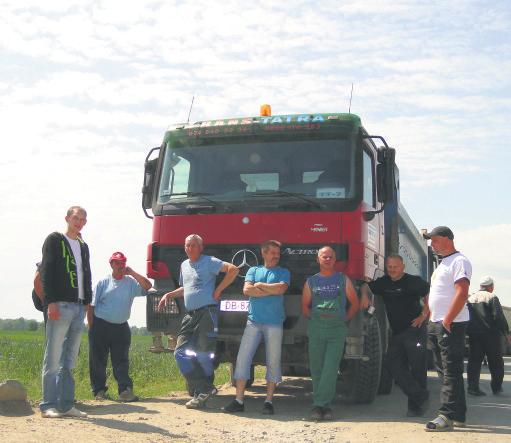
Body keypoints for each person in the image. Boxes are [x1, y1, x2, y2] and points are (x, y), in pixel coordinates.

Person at [158, 234, 239, 409]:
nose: (190, 248)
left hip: (207, 313)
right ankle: (205, 388)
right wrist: (169, 294)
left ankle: (202, 392)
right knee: (180, 353)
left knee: (203, 354)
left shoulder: (209, 261)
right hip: (190, 315)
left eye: (194, 245)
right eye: (187, 245)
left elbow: (233, 270)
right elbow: (187, 287)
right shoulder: (184, 265)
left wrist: (218, 290)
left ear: (201, 247)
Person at [222, 240, 290, 415]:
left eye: (278, 253)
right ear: (264, 253)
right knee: (243, 358)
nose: (277, 256)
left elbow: (281, 289)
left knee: (273, 361)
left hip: (274, 322)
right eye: (273, 252)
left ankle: (268, 401)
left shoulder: (284, 272)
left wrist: (259, 286)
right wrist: (269, 290)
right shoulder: (253, 270)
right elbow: (247, 290)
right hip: (253, 322)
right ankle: (238, 400)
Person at [39, 206, 92, 418]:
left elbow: (86, 274)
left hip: (79, 306)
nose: (79, 222)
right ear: (67, 219)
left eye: (82, 219)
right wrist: (50, 302)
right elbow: (46, 270)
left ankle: (66, 404)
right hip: (60, 305)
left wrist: (87, 302)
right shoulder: (54, 239)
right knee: (53, 358)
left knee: (70, 359)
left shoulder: (83, 245)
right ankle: (48, 405)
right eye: (75, 218)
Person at [361, 255, 430, 416]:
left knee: (418, 368)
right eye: (389, 267)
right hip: (398, 332)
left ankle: (415, 408)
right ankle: (419, 395)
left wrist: (424, 314)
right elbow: (366, 286)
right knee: (392, 364)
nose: (392, 270)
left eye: (395, 267)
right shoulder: (384, 283)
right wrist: (365, 296)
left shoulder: (414, 281)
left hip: (415, 330)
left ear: (403, 266)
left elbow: (431, 293)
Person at [301, 246, 359, 421]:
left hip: (336, 330)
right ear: (318, 259)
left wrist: (342, 321)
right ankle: (324, 407)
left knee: (331, 367)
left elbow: (354, 304)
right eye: (324, 257)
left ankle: (318, 404)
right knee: (317, 367)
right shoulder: (311, 281)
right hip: (317, 328)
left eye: (330, 257)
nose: (327, 259)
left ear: (335, 260)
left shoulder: (343, 279)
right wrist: (318, 319)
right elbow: (305, 307)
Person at [423, 226, 472, 432]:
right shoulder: (443, 263)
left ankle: (445, 415)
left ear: (447, 239)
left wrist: (447, 320)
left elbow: (462, 292)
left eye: (434, 240)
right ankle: (458, 415)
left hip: (450, 324)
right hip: (438, 323)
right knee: (445, 371)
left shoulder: (460, 261)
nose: (432, 244)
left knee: (450, 371)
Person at [88, 252, 152, 401]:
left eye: (122, 262)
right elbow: (91, 306)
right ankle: (99, 391)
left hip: (121, 327)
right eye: (117, 263)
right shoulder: (103, 282)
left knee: (121, 361)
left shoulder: (130, 282)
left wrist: (133, 273)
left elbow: (148, 287)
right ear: (111, 264)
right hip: (101, 325)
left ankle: (125, 391)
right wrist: (92, 327)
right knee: (98, 360)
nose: (120, 265)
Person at [466, 276, 510, 396]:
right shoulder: (491, 297)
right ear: (490, 286)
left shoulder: (471, 299)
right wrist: (506, 333)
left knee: (474, 362)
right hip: (491, 335)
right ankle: (496, 387)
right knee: (496, 362)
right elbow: (498, 316)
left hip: (474, 336)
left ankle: (472, 388)